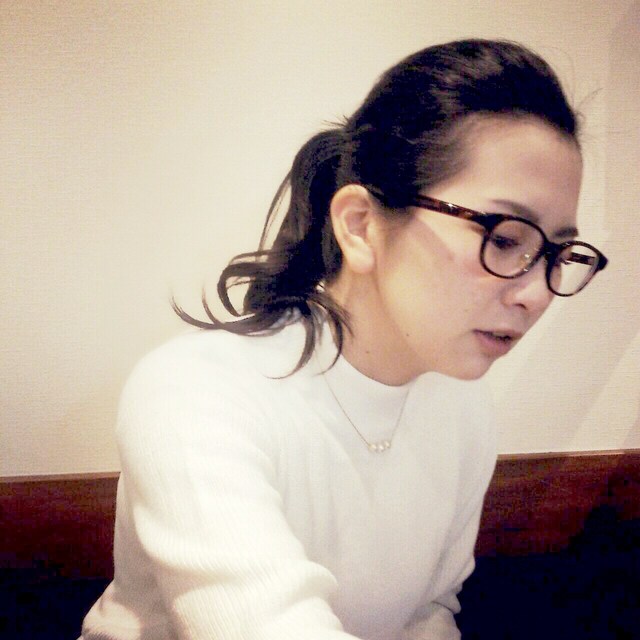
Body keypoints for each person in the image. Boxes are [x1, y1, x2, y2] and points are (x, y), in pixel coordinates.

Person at [80, 39, 608, 640]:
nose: (536, 294)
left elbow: (427, 614)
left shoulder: (464, 409)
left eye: (558, 253)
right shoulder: (197, 391)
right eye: (506, 238)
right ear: (360, 226)